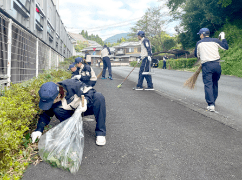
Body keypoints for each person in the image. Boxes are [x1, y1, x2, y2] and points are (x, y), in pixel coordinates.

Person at [31, 79, 107, 146]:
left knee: (99, 97)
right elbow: (45, 114)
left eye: (51, 102)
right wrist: (38, 130)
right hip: (71, 113)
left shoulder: (72, 85)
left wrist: (85, 101)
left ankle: (100, 132)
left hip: (84, 108)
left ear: (58, 95)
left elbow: (90, 91)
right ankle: (71, 129)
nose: (50, 104)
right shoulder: (52, 101)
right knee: (57, 110)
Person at [194, 28, 229, 112]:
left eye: (200, 34)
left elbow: (196, 55)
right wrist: (223, 37)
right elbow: (225, 47)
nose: (200, 36)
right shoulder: (216, 40)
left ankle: (211, 104)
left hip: (207, 66)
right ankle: (213, 100)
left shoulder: (199, 43)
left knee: (208, 84)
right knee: (214, 83)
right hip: (217, 65)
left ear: (202, 34)